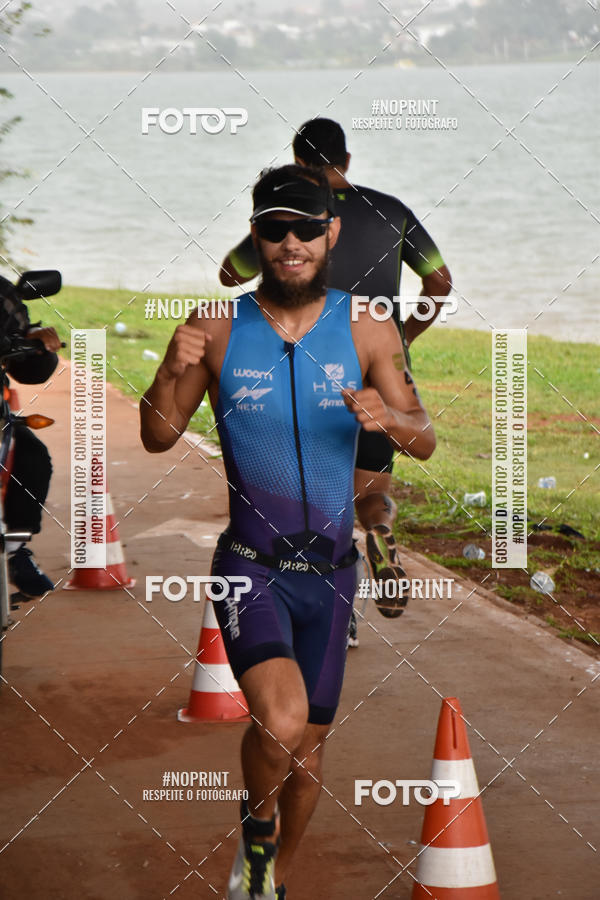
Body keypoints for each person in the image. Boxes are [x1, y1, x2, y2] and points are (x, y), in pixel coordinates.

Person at [140, 166, 435, 900]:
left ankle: (267, 880)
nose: (291, 242)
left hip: (334, 575)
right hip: (252, 565)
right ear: (256, 238)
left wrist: (390, 420)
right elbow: (156, 435)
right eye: (274, 229)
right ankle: (258, 830)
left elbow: (424, 438)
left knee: (307, 751)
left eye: (306, 227)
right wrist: (166, 372)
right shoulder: (213, 327)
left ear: (330, 233)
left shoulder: (367, 323)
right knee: (280, 721)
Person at [219, 119, 451, 627]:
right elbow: (439, 281)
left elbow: (229, 274)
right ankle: (379, 533)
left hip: (301, 362)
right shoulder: (393, 211)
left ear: (299, 164)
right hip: (375, 368)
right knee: (371, 488)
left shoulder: (289, 219)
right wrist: (403, 336)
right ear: (346, 160)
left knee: (308, 491)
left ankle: (333, 611)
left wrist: (276, 242)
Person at [0, 273, 61, 597]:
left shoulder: (4, 295)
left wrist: (36, 342)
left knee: (32, 457)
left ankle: (14, 549)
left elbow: (28, 367)